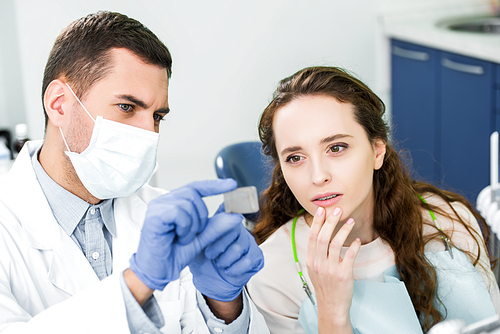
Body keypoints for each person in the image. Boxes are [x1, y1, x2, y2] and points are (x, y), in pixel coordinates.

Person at [0, 11, 269, 334]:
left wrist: (223, 304)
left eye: (157, 116)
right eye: (127, 107)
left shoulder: (164, 217)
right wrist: (138, 281)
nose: (148, 133)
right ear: (59, 104)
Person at [246, 66, 500, 334]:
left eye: (336, 148)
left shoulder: (446, 220)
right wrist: (332, 313)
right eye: (295, 158)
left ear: (377, 150)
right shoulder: (273, 272)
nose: (318, 176)